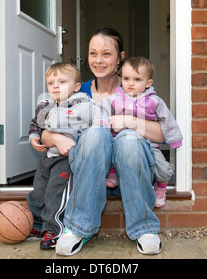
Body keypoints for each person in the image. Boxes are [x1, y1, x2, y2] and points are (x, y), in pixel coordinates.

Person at [39, 28, 168, 256]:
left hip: (131, 169)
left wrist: (129, 120)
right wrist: (56, 137)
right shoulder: (77, 90)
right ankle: (79, 227)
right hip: (90, 175)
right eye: (93, 53)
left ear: (120, 58)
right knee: (97, 133)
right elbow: (47, 130)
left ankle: (144, 228)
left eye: (106, 54)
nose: (98, 60)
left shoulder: (134, 85)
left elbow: (162, 134)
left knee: (128, 137)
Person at [27, 62, 109, 249]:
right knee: (40, 188)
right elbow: (36, 124)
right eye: (51, 83)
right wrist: (33, 136)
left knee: (57, 192)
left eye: (62, 81)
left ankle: (54, 229)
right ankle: (37, 221)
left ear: (76, 86)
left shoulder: (85, 104)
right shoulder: (45, 105)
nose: (55, 86)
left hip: (68, 159)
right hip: (49, 156)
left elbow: (98, 124)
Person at [99, 57, 183, 208]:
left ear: (148, 83)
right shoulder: (113, 99)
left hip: (150, 145)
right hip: (120, 144)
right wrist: (105, 126)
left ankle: (160, 189)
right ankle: (113, 174)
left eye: (137, 79)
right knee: (111, 153)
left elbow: (168, 121)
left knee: (164, 169)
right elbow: (102, 114)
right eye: (126, 78)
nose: (130, 83)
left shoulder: (155, 101)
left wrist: (174, 140)